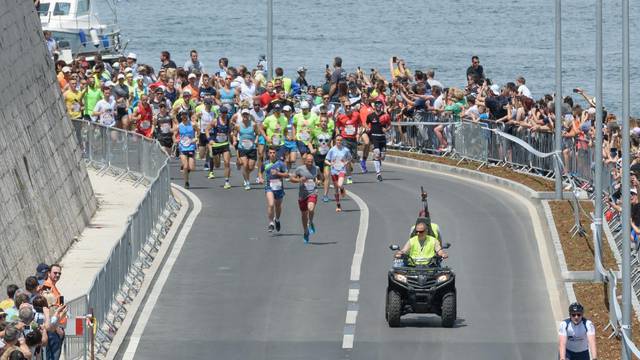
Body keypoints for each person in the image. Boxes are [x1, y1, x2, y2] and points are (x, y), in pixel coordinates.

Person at [290, 154, 321, 243]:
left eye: (312, 161)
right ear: (305, 161)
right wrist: (299, 180)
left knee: (310, 208)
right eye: (308, 161)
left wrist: (319, 181)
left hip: (312, 193)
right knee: (304, 215)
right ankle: (305, 232)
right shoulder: (300, 169)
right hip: (302, 195)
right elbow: (292, 179)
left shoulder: (316, 169)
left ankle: (310, 222)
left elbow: (321, 177)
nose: (310, 163)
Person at [263, 146, 289, 232]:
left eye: (273, 153)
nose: (272, 154)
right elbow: (260, 171)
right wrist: (260, 178)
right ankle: (271, 223)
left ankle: (277, 219)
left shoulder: (280, 164)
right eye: (270, 153)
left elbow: (286, 175)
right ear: (268, 154)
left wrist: (278, 173)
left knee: (278, 206)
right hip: (269, 187)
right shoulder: (265, 163)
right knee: (271, 204)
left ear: (276, 153)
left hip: (279, 188)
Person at [366, 99, 391, 181]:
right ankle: (378, 174)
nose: (378, 106)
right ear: (375, 106)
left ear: (382, 106)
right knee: (376, 153)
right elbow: (366, 123)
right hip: (374, 136)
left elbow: (390, 125)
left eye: (380, 105)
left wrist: (386, 129)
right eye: (377, 105)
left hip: (382, 137)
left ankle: (378, 165)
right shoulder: (370, 116)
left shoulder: (385, 115)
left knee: (382, 156)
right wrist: (367, 128)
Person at [325, 135, 352, 212]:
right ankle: (338, 205)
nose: (339, 141)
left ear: (342, 141)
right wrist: (330, 164)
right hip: (334, 171)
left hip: (341, 170)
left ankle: (342, 188)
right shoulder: (332, 150)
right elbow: (326, 160)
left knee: (339, 185)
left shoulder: (346, 150)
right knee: (336, 189)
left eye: (340, 140)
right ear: (335, 141)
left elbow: (350, 158)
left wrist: (346, 162)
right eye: (337, 140)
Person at [336, 101, 360, 184]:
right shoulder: (341, 117)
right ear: (344, 107)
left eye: (349, 106)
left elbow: (360, 124)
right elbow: (337, 126)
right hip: (345, 139)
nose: (348, 108)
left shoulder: (356, 114)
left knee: (353, 159)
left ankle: (349, 168)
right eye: (346, 106)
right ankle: (349, 177)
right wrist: (338, 135)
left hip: (353, 139)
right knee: (347, 158)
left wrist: (358, 133)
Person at [312, 115, 335, 202]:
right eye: (322, 121)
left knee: (327, 175)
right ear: (319, 122)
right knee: (318, 173)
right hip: (318, 156)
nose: (323, 123)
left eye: (325, 121)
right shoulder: (315, 131)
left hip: (327, 156)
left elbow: (332, 143)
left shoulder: (330, 132)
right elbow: (309, 141)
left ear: (327, 122)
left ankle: (325, 195)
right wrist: (311, 149)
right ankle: (318, 179)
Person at [209, 106, 232, 189]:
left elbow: (229, 131)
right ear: (220, 113)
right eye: (223, 113)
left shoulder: (228, 121)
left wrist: (232, 140)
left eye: (225, 113)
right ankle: (213, 165)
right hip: (216, 145)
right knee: (217, 165)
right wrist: (210, 140)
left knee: (227, 162)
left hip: (225, 144)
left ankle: (227, 181)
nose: (224, 114)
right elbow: (207, 130)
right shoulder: (215, 121)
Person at [235, 109, 259, 190]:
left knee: (251, 167)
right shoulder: (238, 125)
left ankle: (246, 175)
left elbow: (258, 133)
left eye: (246, 114)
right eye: (243, 114)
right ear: (241, 115)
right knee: (245, 165)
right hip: (242, 148)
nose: (245, 116)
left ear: (249, 115)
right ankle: (247, 182)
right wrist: (234, 140)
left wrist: (256, 140)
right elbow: (234, 134)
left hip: (252, 148)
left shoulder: (253, 124)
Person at [177, 110, 197, 188]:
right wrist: (176, 140)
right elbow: (175, 134)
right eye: (183, 115)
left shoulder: (192, 124)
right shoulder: (179, 125)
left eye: (185, 115)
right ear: (181, 116)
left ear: (187, 116)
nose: (184, 116)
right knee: (185, 166)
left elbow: (198, 131)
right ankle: (186, 182)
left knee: (191, 167)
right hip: (182, 147)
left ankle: (186, 172)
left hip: (191, 146)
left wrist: (196, 138)